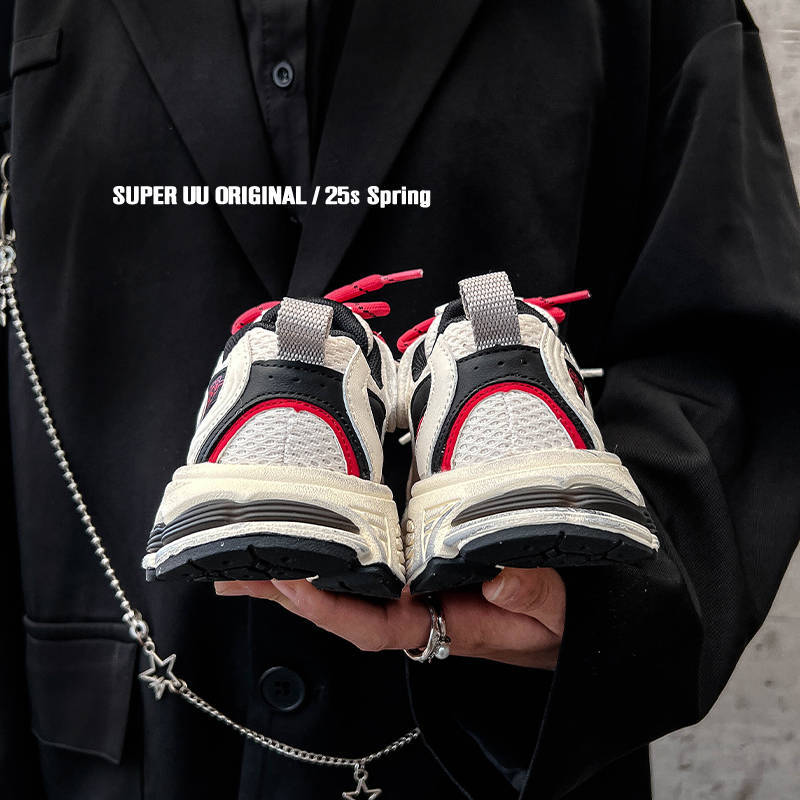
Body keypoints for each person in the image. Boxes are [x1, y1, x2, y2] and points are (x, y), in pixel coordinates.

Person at [2, 0, 799, 797]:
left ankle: (351, 385)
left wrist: (609, 605)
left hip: (496, 746)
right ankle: (486, 379)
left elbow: (735, 335)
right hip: (121, 738)